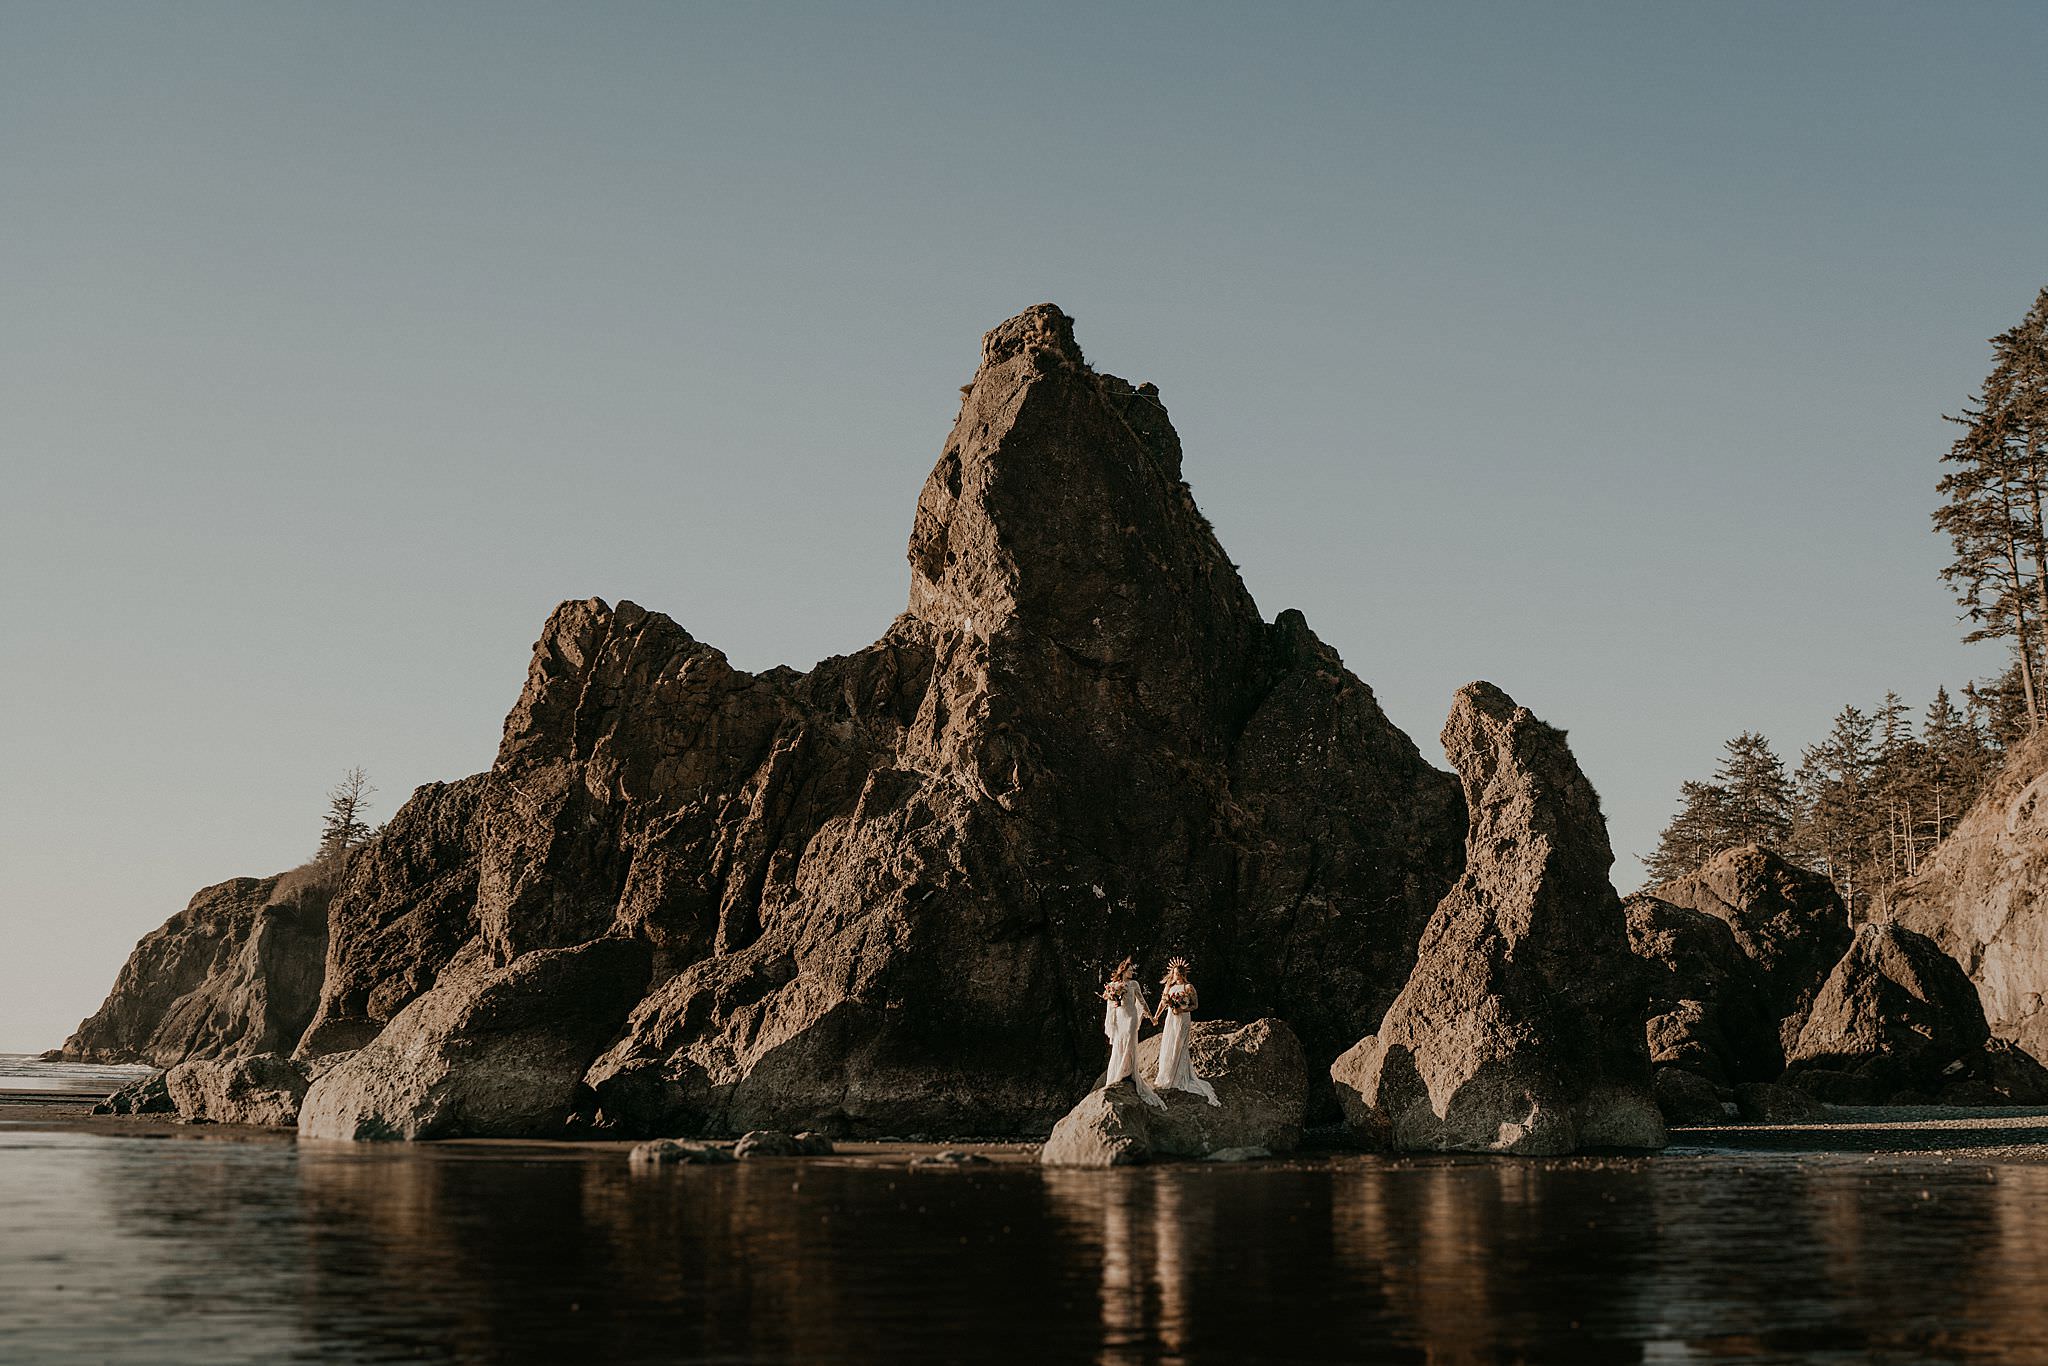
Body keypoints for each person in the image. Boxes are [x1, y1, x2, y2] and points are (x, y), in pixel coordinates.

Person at [1148, 957, 1221, 1106]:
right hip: (1171, 1019)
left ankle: (1179, 1076)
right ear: (1172, 973)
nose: (1177, 975)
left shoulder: (1188, 987)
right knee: (1169, 1044)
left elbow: (1195, 1005)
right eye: (1175, 973)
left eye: (1179, 973)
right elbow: (1163, 1003)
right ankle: (1167, 1075)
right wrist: (1156, 1016)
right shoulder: (1169, 987)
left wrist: (1181, 1008)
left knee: (1179, 1045)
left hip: (1183, 1018)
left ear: (1183, 973)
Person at [1101, 957, 1165, 1108]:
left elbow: (1141, 1001)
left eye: (1132, 970)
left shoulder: (1134, 984)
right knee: (1119, 1043)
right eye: (1129, 970)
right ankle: (1121, 1070)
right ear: (1123, 970)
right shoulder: (1113, 985)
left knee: (1130, 1040)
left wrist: (1151, 1017)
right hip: (1120, 1018)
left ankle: (1127, 1072)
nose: (1132, 972)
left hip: (1131, 1017)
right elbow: (1107, 998)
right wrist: (1113, 998)